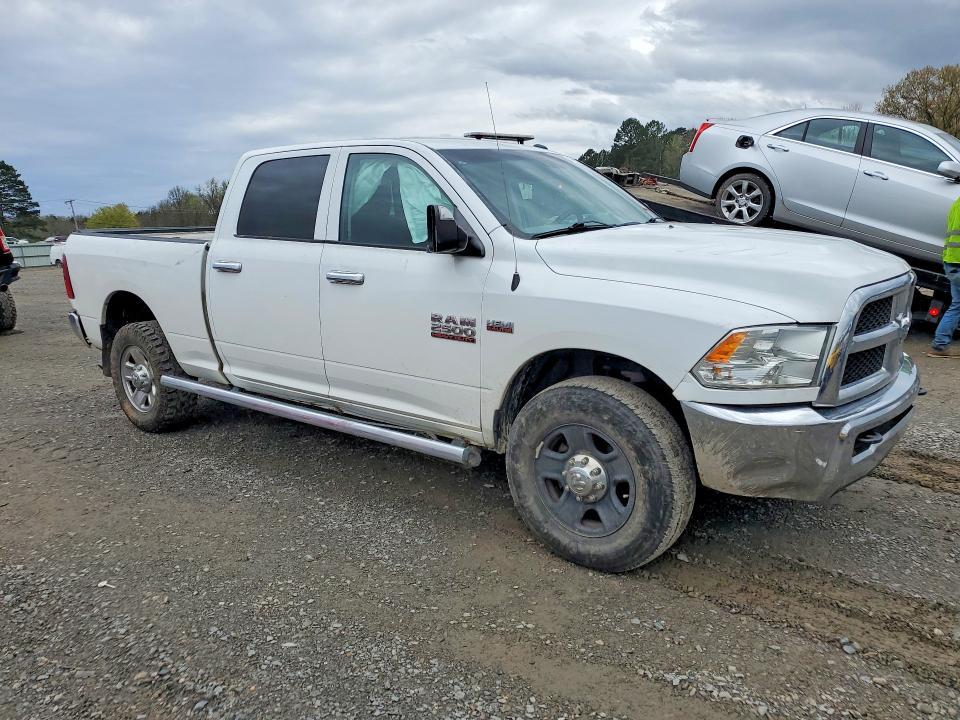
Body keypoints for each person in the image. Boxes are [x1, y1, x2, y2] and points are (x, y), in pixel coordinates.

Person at [929, 193, 960, 357]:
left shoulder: (956, 203)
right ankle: (939, 345)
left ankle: (939, 346)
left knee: (957, 305)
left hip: (951, 262)